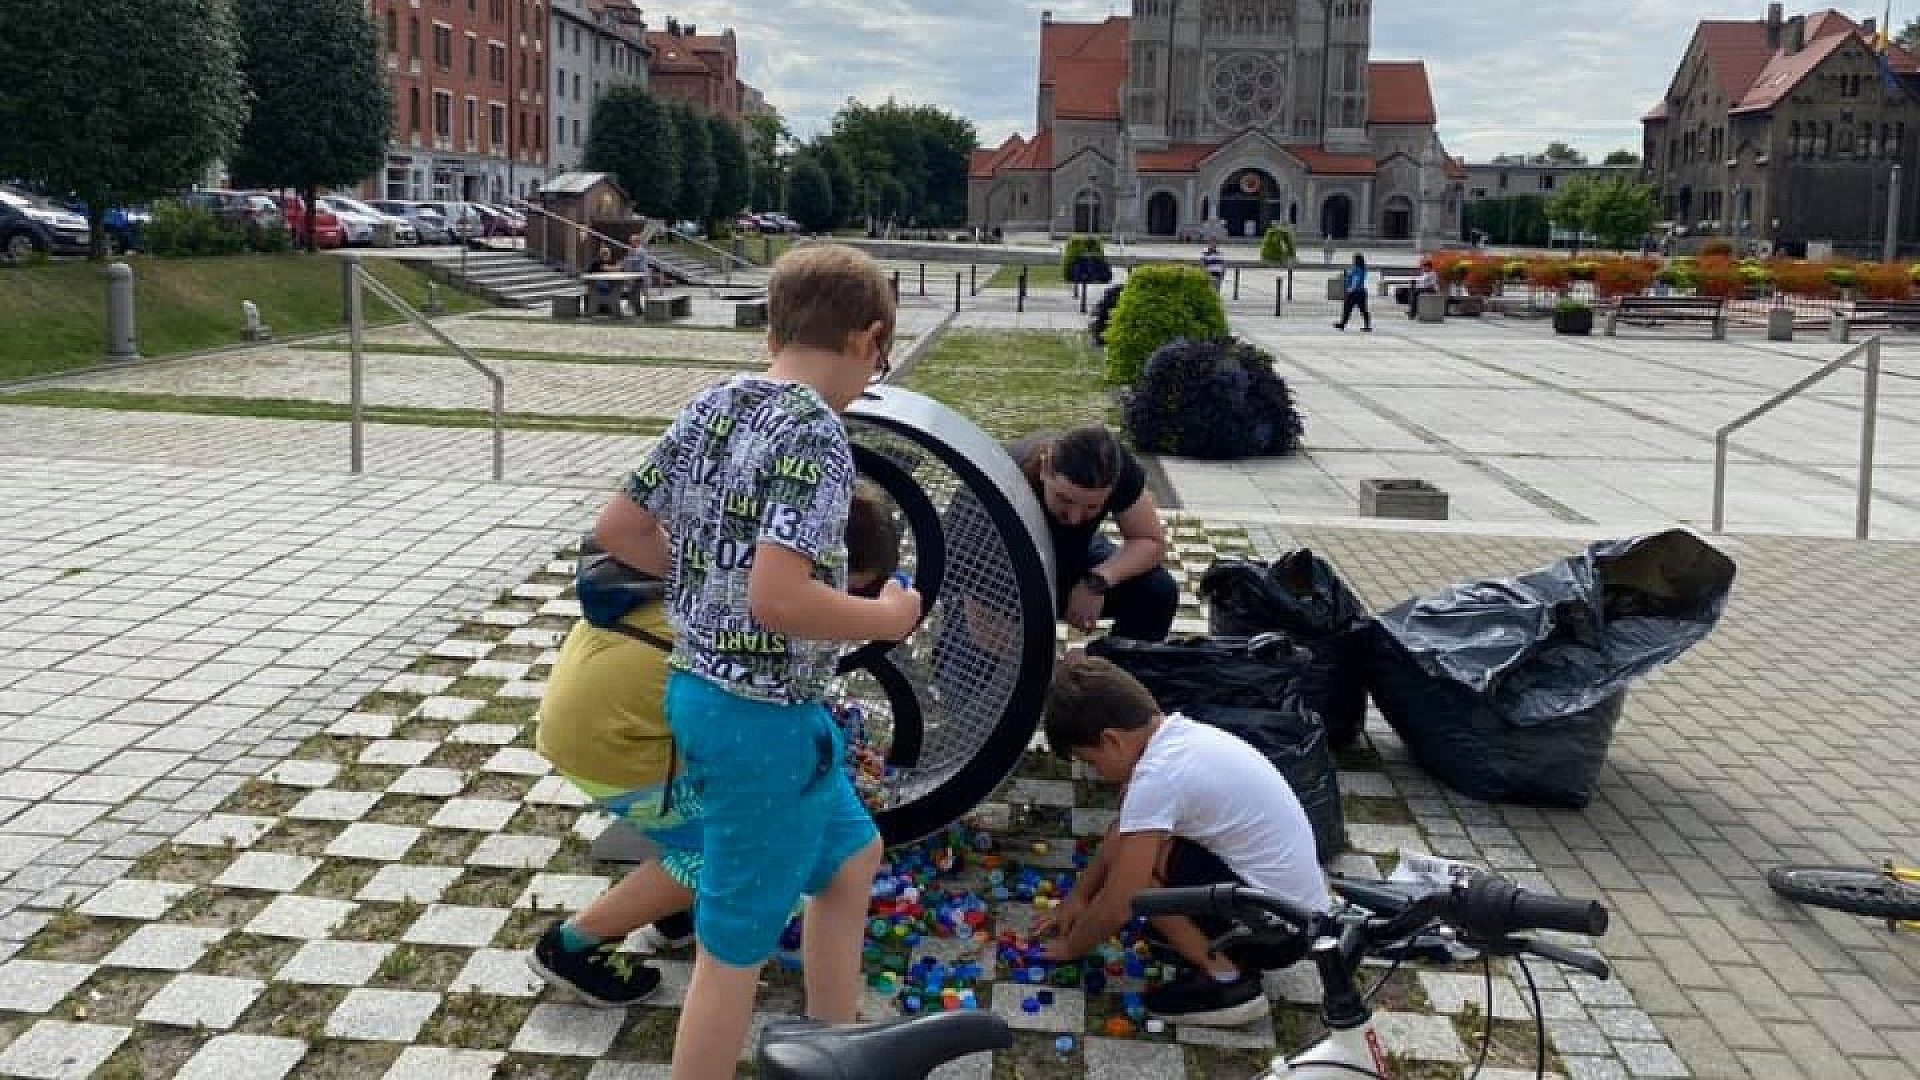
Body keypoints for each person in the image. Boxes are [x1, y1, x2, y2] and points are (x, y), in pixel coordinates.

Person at [594, 243, 922, 1079]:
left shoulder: (717, 402)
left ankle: (830, 1041)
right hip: (762, 722)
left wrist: (705, 582)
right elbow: (781, 601)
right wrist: (884, 616)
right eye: (878, 361)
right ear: (866, 337)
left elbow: (621, 529)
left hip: (714, 699)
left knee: (852, 859)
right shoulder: (817, 429)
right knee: (732, 946)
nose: (870, 378)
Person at [527, 484, 904, 1006]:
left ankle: (676, 910)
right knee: (727, 848)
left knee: (732, 817)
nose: (847, 609)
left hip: (606, 722)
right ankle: (571, 946)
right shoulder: (755, 626)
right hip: (612, 749)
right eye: (846, 591)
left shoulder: (732, 566)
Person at [1036, 652, 1330, 1026]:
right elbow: (1122, 833)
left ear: (1112, 740)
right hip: (1299, 915)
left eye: (1090, 762)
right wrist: (1078, 897)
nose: (1096, 774)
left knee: (1144, 886)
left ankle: (1228, 982)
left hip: (1278, 933)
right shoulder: (1176, 739)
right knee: (1142, 851)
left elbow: (1121, 904)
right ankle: (1210, 944)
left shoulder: (1158, 778)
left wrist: (1070, 947)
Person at [1007, 427, 1177, 643]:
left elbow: (1149, 540)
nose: (1075, 518)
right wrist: (980, 609)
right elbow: (958, 555)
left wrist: (1097, 581)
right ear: (1045, 468)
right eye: (1064, 499)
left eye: (1092, 506)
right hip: (1002, 574)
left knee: (1158, 591)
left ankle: (1119, 671)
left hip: (1075, 557)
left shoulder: (1117, 468)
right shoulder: (1008, 476)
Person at [1332, 253, 1372, 332]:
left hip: (1355, 292)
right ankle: (1367, 325)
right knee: (1363, 310)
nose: (1353, 261)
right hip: (1361, 292)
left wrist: (1350, 288)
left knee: (1347, 308)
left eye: (1354, 259)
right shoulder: (1363, 269)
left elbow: (1355, 280)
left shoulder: (1357, 269)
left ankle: (1342, 324)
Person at [621, 232, 651, 314]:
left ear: (637, 242)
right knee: (632, 292)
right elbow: (628, 262)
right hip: (632, 276)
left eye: (632, 242)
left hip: (640, 276)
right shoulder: (632, 251)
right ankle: (635, 309)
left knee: (636, 293)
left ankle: (639, 311)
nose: (630, 243)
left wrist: (626, 261)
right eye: (630, 242)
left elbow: (634, 261)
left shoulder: (641, 251)